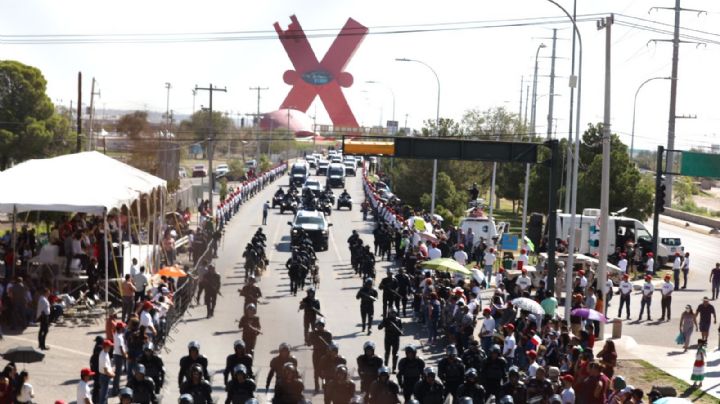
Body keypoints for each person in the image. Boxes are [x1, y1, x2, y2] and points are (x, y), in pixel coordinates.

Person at [308, 318, 333, 392]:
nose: (319, 327)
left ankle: (324, 383)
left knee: (325, 369)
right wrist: (308, 338)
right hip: (316, 353)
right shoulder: (312, 333)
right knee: (316, 370)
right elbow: (309, 344)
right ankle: (316, 386)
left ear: (323, 326)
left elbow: (331, 344)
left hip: (325, 354)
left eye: (321, 325)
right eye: (318, 325)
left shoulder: (328, 334)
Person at [98, 339, 115, 404]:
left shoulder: (105, 353)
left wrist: (111, 370)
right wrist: (112, 375)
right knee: (103, 396)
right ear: (106, 347)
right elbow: (105, 370)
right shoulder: (103, 355)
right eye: (109, 346)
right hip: (105, 377)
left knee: (105, 395)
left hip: (104, 376)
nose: (111, 347)